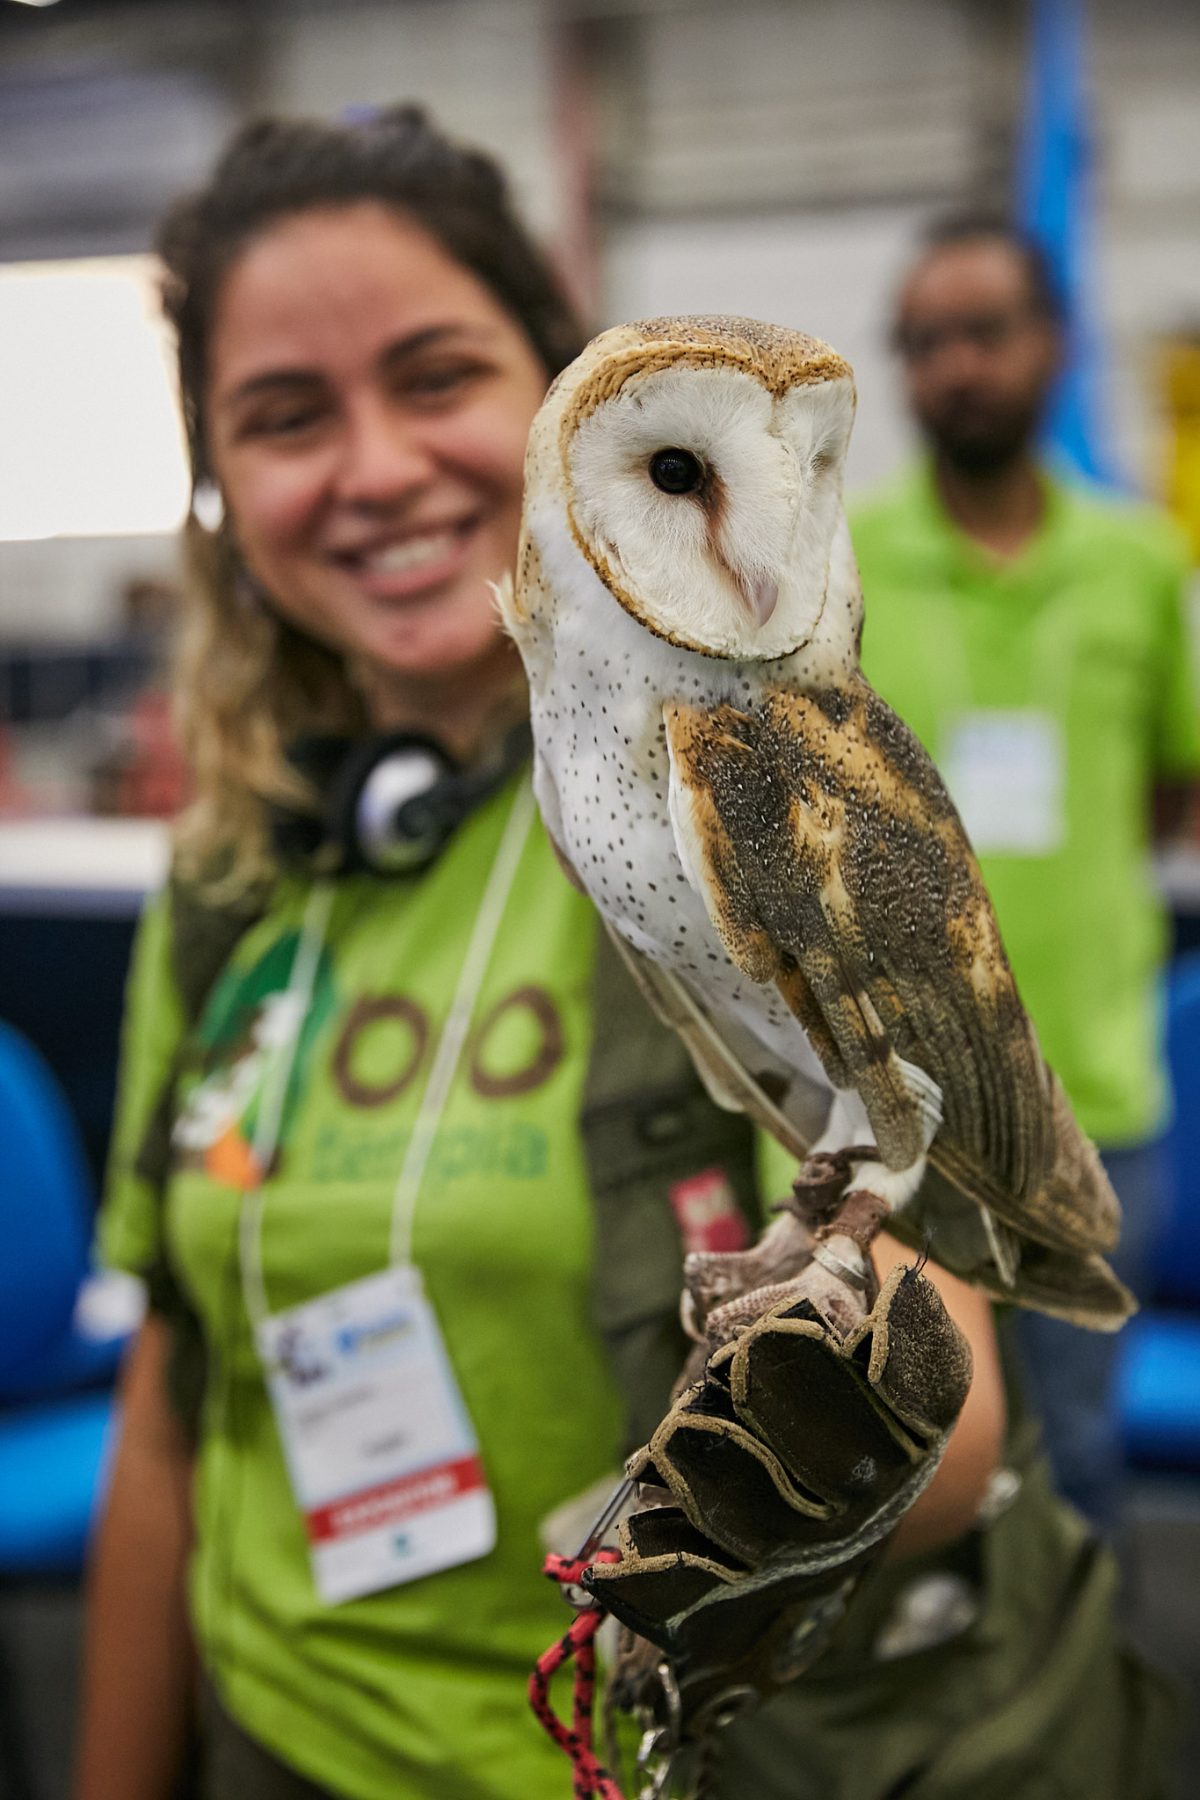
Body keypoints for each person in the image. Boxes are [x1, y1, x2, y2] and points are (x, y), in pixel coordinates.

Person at [75, 118, 1173, 1800]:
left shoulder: (736, 777)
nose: (373, 468)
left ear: (546, 398)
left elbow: (951, 1401)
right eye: (286, 416)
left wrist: (833, 1393)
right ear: (222, 486)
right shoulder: (240, 874)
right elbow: (170, 1397)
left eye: (435, 376)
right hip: (279, 1732)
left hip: (604, 1756)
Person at [851, 213, 1200, 1535]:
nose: (957, 367)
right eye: (926, 341)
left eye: (985, 332)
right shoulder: (844, 562)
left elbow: (1172, 789)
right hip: (896, 1108)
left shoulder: (1141, 561)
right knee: (906, 1480)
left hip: (1092, 1103)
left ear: (1051, 346)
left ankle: (1080, 1735)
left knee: (1076, 1474)